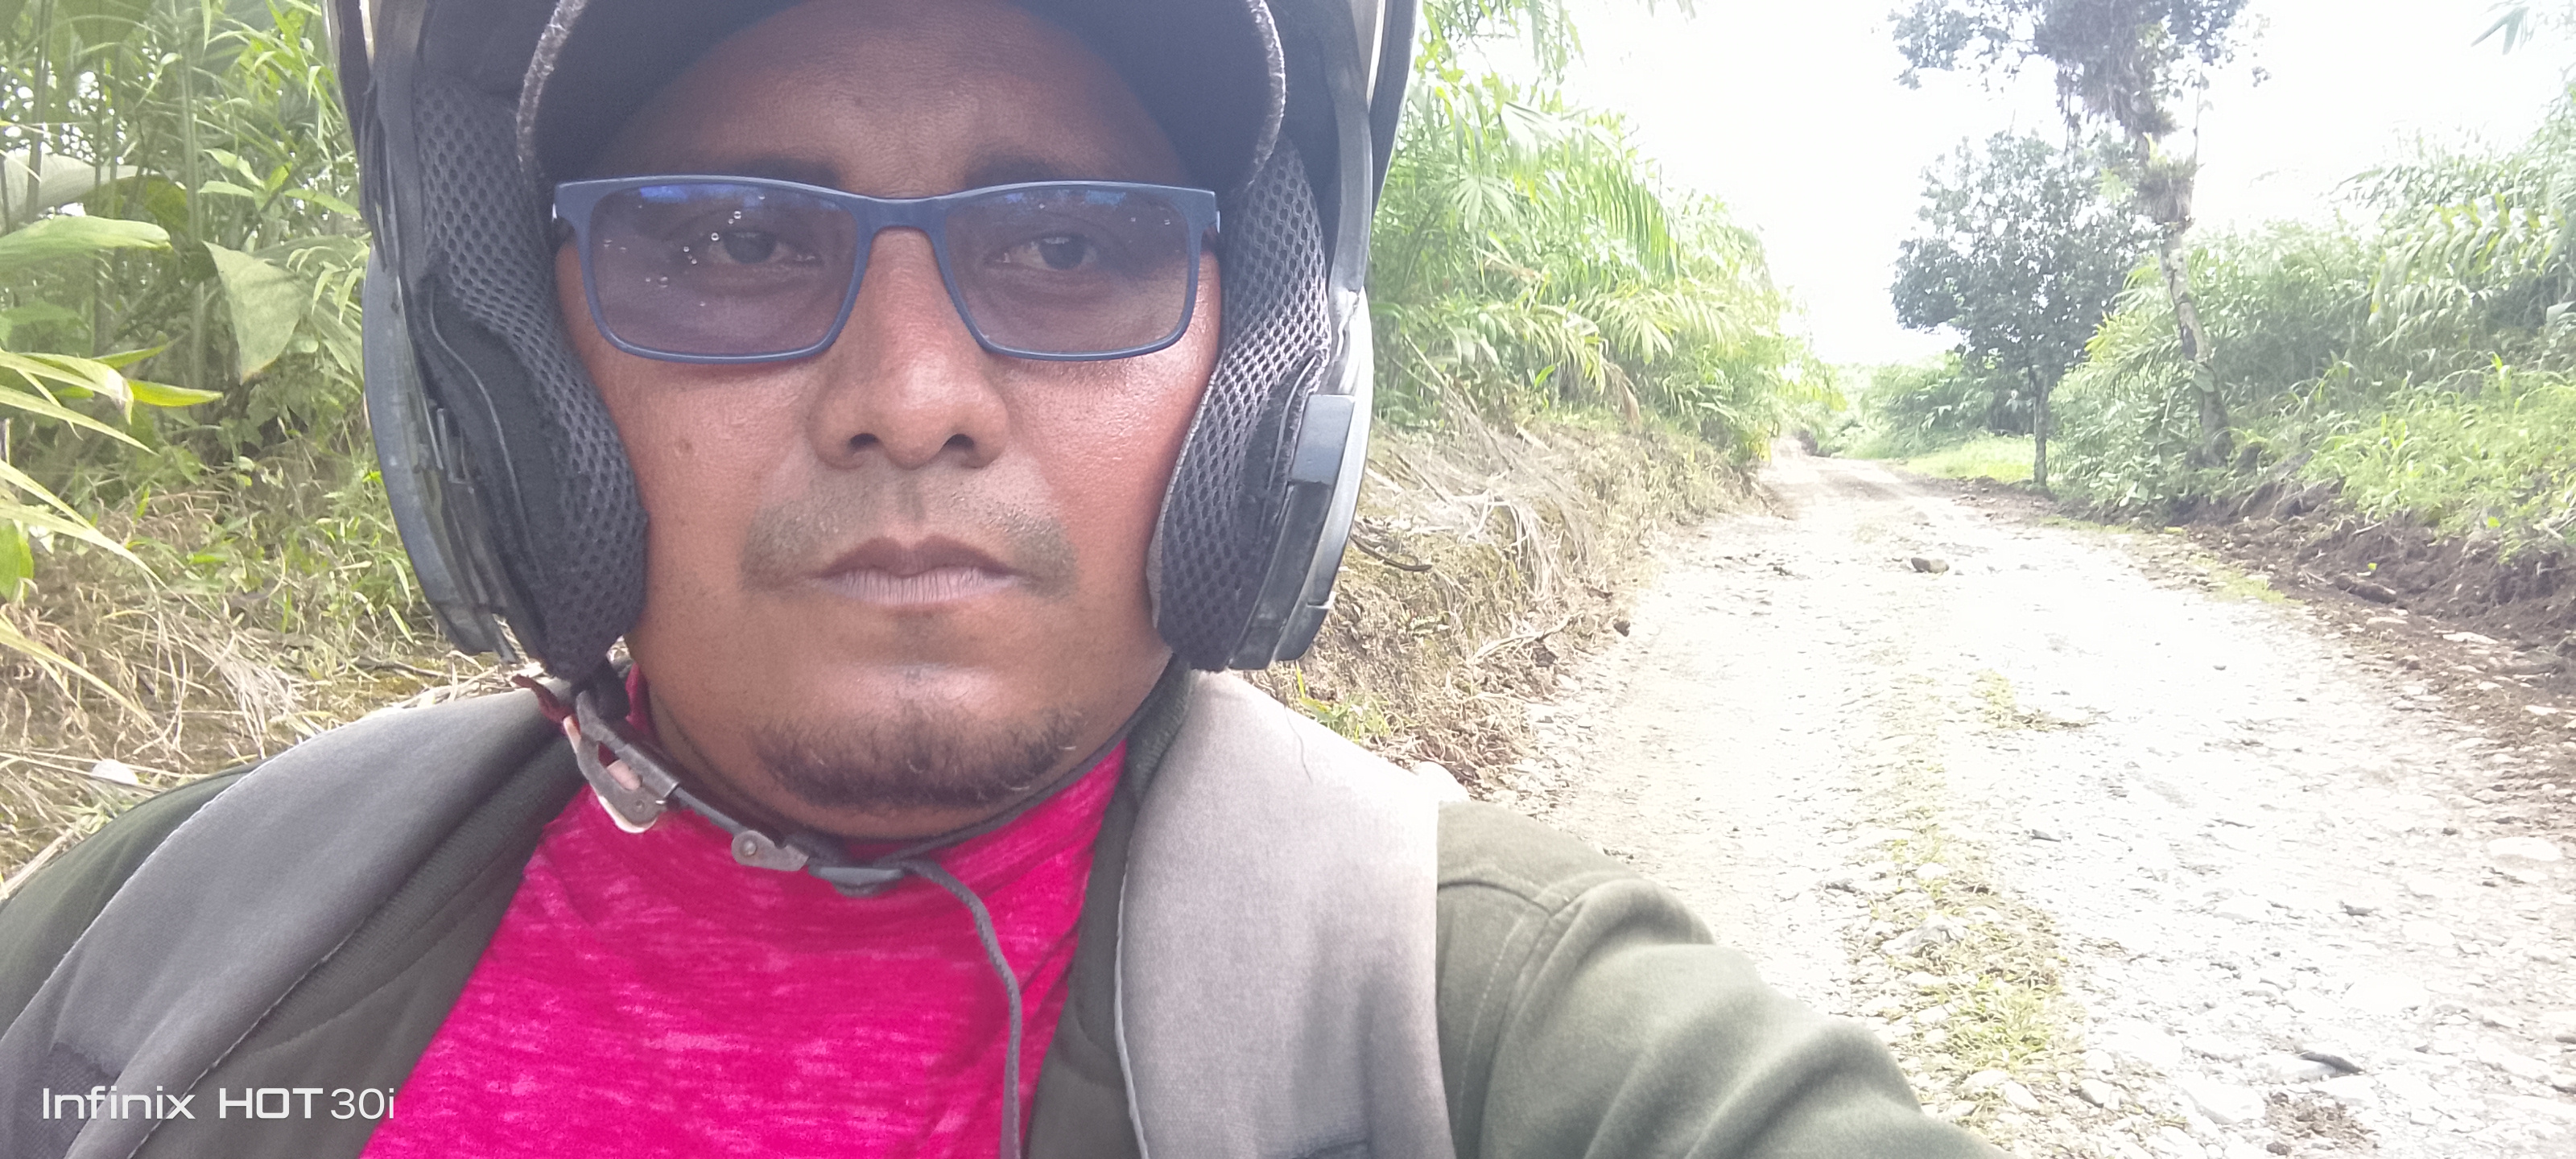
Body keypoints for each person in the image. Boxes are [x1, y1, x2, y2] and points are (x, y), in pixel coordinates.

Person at [0, 0, 1998, 1156]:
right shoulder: (156, 941)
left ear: (1260, 374)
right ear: (517, 383)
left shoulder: (1485, 1022)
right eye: (727, 241)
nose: (911, 400)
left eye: (1068, 247)